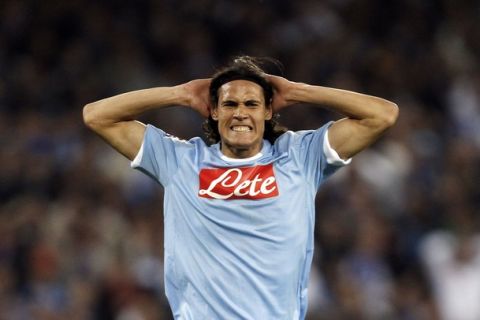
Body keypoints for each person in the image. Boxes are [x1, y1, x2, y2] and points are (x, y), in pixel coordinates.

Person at [83, 56, 398, 319]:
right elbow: (97, 117)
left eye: (252, 103)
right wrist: (180, 94)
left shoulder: (299, 156)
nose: (241, 113)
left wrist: (298, 90)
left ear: (267, 112)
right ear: (215, 111)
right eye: (230, 103)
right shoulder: (181, 161)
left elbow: (382, 115)